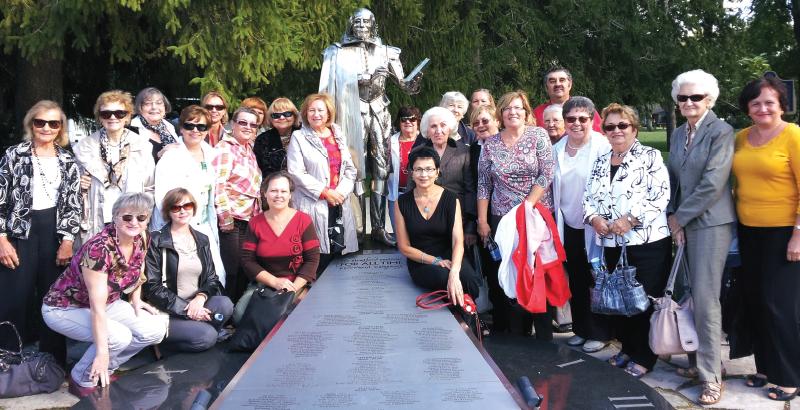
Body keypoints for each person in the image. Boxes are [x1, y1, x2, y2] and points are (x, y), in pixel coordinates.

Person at [41, 193, 166, 397]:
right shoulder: (99, 249)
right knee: (118, 337)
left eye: (141, 218)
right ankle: (81, 377)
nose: (134, 222)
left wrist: (136, 298)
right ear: (115, 216)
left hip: (107, 302)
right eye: (127, 217)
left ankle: (102, 370)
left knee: (155, 328)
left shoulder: (141, 237)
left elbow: (138, 268)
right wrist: (102, 350)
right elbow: (96, 307)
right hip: (65, 308)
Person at [319, 7, 423, 247]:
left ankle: (377, 227)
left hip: (379, 110)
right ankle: (355, 227)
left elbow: (404, 84)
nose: (362, 27)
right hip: (350, 112)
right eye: (358, 22)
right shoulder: (336, 52)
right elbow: (326, 89)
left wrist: (413, 82)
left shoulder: (387, 52)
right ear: (351, 25)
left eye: (367, 22)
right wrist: (360, 79)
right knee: (353, 167)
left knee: (381, 168)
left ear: (374, 25)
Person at [584, 103, 671, 378]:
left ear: (634, 128)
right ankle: (627, 349)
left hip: (646, 242)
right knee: (620, 301)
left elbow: (660, 195)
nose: (616, 131)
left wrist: (630, 220)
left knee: (643, 301)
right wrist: (595, 219)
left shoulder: (650, 156)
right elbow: (588, 198)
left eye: (622, 125)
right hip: (611, 243)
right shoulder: (600, 160)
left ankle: (645, 356)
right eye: (610, 126)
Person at [665, 69, 735, 405]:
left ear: (710, 99)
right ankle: (694, 361)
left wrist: (679, 217)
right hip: (682, 223)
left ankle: (711, 378)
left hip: (710, 224)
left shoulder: (721, 131)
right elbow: (674, 180)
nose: (689, 102)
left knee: (706, 300)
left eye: (696, 97)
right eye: (683, 97)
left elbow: (712, 184)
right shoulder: (679, 134)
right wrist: (670, 215)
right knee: (687, 295)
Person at [732, 76, 800, 401]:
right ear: (748, 108)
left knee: (779, 306)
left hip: (784, 232)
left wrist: (798, 236)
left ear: (782, 105)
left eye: (769, 102)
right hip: (748, 232)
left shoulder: (794, 136)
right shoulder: (741, 138)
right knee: (755, 301)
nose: (762, 108)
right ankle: (765, 367)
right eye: (755, 103)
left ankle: (789, 375)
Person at [0, 100, 82, 367]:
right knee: (14, 296)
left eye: (53, 123)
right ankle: (8, 359)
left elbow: (72, 203)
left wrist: (68, 240)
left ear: (60, 128)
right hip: (19, 231)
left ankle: (53, 362)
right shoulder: (15, 154)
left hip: (53, 233)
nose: (46, 128)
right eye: (40, 122)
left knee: (53, 298)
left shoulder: (68, 160)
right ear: (31, 124)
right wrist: (1, 239)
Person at [477, 90, 554, 337]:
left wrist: (527, 206)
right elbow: (483, 184)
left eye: (518, 107)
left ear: (526, 112)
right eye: (508, 108)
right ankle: (517, 333)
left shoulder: (539, 136)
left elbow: (547, 173)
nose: (513, 112)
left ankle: (543, 335)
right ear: (500, 114)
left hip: (535, 216)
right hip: (502, 219)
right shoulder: (491, 144)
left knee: (538, 272)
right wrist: (482, 221)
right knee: (509, 274)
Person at [552, 97, 612, 353]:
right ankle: (581, 329)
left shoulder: (603, 146)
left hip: (597, 225)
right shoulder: (557, 148)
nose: (576, 124)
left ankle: (601, 332)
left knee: (597, 279)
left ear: (592, 120)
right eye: (571, 119)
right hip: (568, 224)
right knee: (576, 279)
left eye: (582, 119)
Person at [143, 188, 233, 352]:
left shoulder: (202, 239)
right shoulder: (156, 240)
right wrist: (188, 310)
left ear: (194, 207)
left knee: (225, 305)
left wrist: (200, 298)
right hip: (167, 310)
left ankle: (196, 327)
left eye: (187, 205)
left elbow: (212, 278)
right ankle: (163, 343)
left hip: (196, 304)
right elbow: (152, 288)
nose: (183, 211)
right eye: (176, 207)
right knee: (207, 337)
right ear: (168, 212)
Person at [395, 146, 481, 306]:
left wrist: (455, 271)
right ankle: (462, 316)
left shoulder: (451, 199)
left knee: (469, 279)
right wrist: (435, 261)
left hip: (450, 253)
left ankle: (471, 317)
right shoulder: (402, 202)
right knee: (443, 277)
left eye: (429, 169)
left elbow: (457, 241)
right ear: (411, 173)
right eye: (418, 169)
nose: (424, 174)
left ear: (437, 171)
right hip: (421, 259)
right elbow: (404, 247)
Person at [286, 93, 358, 274]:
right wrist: (326, 192)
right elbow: (296, 172)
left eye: (320, 110)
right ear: (305, 113)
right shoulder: (299, 137)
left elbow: (350, 169)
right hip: (315, 203)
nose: (316, 114)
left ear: (328, 113)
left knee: (340, 257)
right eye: (311, 110)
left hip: (338, 202)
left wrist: (339, 193)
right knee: (318, 258)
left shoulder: (337, 133)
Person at [154, 105, 226, 284]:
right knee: (182, 279)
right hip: (178, 226)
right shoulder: (171, 156)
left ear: (208, 129)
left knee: (214, 276)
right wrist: (179, 222)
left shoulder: (212, 154)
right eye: (189, 126)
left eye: (201, 127)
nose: (195, 131)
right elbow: (163, 197)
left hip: (205, 224)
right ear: (181, 128)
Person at [73, 90, 155, 245]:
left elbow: (151, 188)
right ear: (99, 117)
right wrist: (80, 186)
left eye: (119, 113)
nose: (113, 118)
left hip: (131, 222)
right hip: (96, 222)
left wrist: (141, 216)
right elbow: (73, 191)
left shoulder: (142, 147)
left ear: (128, 116)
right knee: (97, 267)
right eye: (106, 114)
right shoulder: (84, 147)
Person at [242, 171, 320, 297]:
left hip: (298, 284)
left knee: (293, 313)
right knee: (240, 313)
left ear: (290, 195)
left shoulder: (303, 220)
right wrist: (275, 282)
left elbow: (312, 259)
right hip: (265, 284)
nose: (278, 195)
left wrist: (293, 288)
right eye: (273, 191)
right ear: (265, 193)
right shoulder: (255, 223)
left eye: (283, 191)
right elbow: (248, 261)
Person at [212, 107, 262, 303]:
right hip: (232, 220)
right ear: (232, 124)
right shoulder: (225, 149)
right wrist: (225, 219)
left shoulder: (248, 149)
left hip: (248, 219)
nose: (248, 127)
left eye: (253, 124)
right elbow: (218, 186)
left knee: (244, 268)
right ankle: (223, 317)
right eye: (243, 122)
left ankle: (235, 316)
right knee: (231, 270)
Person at [409, 107, 476, 246]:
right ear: (427, 131)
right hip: (425, 218)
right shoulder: (417, 152)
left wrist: (470, 226)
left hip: (457, 217)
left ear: (450, 128)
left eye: (443, 125)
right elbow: (411, 187)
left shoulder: (463, 151)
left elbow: (470, 190)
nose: (438, 130)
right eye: (433, 126)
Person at [532, 67, 602, 132]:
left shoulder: (585, 109)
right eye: (552, 81)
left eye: (562, 80)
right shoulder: (537, 114)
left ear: (569, 84)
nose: (558, 84)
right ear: (546, 87)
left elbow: (602, 137)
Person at [387, 106, 422, 235]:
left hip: (420, 194)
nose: (408, 122)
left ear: (418, 121)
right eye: (404, 119)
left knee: (418, 233)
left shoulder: (425, 140)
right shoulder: (390, 142)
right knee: (399, 233)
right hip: (397, 194)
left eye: (412, 119)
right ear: (399, 122)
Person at [253, 97, 301, 176]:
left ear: (294, 116)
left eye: (287, 114)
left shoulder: (304, 135)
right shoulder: (262, 140)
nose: (282, 118)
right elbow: (261, 170)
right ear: (270, 119)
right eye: (276, 115)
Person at [129, 87, 179, 162]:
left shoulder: (172, 126)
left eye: (159, 103)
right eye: (148, 103)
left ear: (164, 107)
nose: (154, 107)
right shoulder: (131, 129)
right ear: (140, 108)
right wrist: (159, 155)